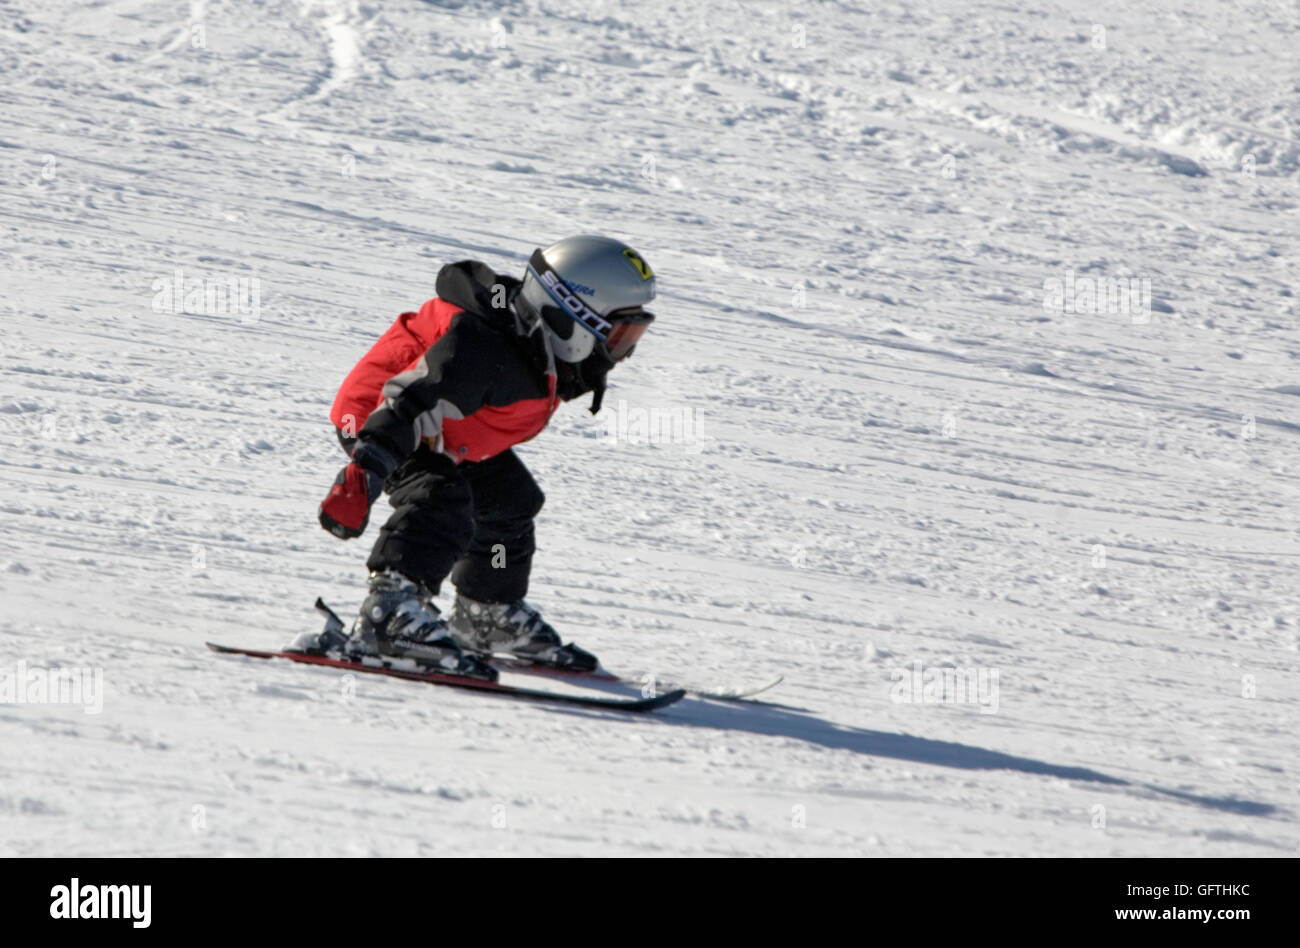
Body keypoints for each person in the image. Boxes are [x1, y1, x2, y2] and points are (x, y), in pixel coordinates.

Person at [298, 235, 656, 683]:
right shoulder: (484, 350)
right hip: (384, 421)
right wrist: (365, 470)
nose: (623, 354)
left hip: (447, 431)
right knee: (441, 499)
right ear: (572, 318)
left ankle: (486, 611)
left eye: (632, 336)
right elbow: (407, 401)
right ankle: (388, 614)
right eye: (620, 335)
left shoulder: (539, 350)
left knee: (510, 502)